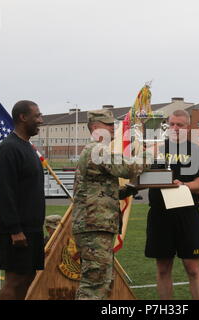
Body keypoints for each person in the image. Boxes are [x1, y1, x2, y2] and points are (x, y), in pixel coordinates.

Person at [71, 109, 148, 300]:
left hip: (95, 225)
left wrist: (129, 189)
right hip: (94, 226)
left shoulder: (94, 151)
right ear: (96, 127)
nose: (113, 129)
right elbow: (128, 168)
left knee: (99, 281)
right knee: (94, 285)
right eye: (109, 125)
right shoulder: (97, 150)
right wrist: (149, 154)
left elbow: (99, 191)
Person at [145, 109, 199, 300]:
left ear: (188, 128)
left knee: (192, 268)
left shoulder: (198, 152)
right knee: (163, 268)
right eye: (172, 124)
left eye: (180, 125)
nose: (175, 128)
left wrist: (182, 185)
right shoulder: (155, 150)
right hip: (160, 215)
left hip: (187, 214)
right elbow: (141, 177)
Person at [0, 100, 45, 300]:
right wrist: (15, 230)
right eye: (37, 116)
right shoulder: (8, 149)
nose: (41, 120)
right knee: (14, 281)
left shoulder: (27, 147)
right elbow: (4, 193)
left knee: (27, 277)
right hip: (16, 232)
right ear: (23, 118)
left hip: (31, 228)